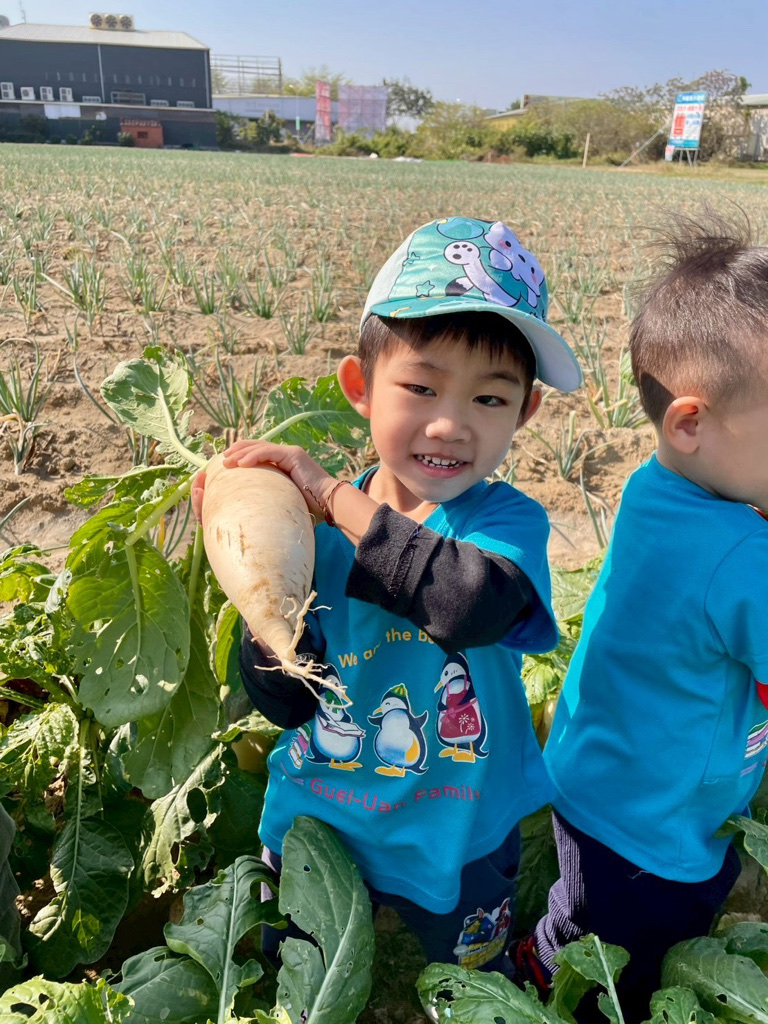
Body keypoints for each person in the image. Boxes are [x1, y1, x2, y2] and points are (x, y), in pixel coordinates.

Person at [193, 216, 582, 979]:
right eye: (421, 387)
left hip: (459, 822)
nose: (449, 424)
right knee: (301, 974)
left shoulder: (505, 525)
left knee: (470, 984)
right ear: (361, 389)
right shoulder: (310, 538)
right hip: (324, 814)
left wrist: (333, 495)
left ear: (525, 413)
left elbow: (465, 604)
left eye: (489, 399)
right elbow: (286, 702)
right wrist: (264, 607)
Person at [516, 213, 768, 1022]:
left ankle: (547, 952)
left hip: (600, 776)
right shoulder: (742, 557)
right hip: (657, 827)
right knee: (620, 960)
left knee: (592, 918)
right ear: (691, 423)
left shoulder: (654, 487)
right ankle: (545, 979)